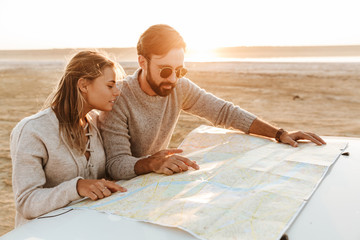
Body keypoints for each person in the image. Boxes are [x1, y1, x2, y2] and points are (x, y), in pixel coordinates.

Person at [99, 24, 326, 180]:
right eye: (165, 70)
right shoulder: (117, 97)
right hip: (126, 187)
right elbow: (116, 165)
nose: (173, 79)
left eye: (180, 70)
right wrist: (151, 163)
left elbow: (224, 112)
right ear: (142, 62)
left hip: (154, 179)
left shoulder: (180, 86)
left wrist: (279, 133)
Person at [10, 50, 127, 227]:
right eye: (110, 86)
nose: (117, 92)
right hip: (44, 233)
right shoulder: (33, 130)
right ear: (84, 85)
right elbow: (26, 202)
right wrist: (77, 187)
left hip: (86, 227)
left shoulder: (96, 122)